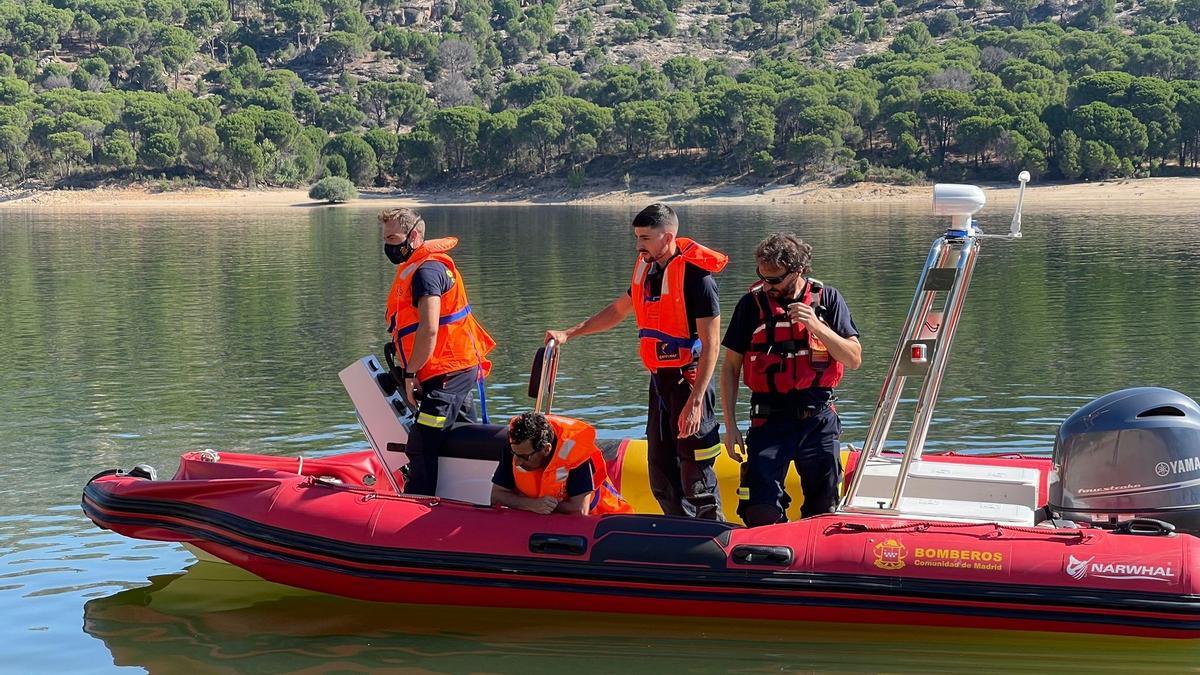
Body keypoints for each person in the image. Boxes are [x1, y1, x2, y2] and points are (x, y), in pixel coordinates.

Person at [546, 203, 726, 520]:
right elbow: (617, 310)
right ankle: (679, 534)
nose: (638, 245)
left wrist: (696, 401)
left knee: (696, 478)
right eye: (637, 237)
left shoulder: (698, 279)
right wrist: (569, 333)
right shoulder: (646, 269)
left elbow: (712, 344)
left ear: (667, 236)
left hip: (689, 383)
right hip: (659, 384)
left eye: (645, 238)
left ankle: (711, 540)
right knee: (660, 477)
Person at [719, 233, 862, 527]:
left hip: (818, 418)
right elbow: (730, 368)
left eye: (774, 279)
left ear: (797, 271)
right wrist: (730, 427)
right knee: (760, 510)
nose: (767, 285)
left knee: (823, 507)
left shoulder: (828, 300)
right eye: (762, 276)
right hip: (769, 419)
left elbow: (853, 359)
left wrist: (817, 326)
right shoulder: (751, 305)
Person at [380, 207, 496, 495]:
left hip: (449, 369)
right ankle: (472, 497)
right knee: (460, 432)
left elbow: (429, 329)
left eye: (394, 238)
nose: (390, 246)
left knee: (421, 442)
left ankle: (418, 506)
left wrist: (409, 373)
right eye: (386, 238)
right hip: (445, 368)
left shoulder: (427, 272)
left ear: (415, 235)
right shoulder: (420, 268)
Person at [491, 412, 633, 515]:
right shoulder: (516, 445)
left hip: (603, 518)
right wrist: (531, 505)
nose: (516, 462)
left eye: (524, 457)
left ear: (546, 449)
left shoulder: (576, 454)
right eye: (514, 454)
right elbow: (496, 496)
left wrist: (542, 506)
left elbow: (580, 510)